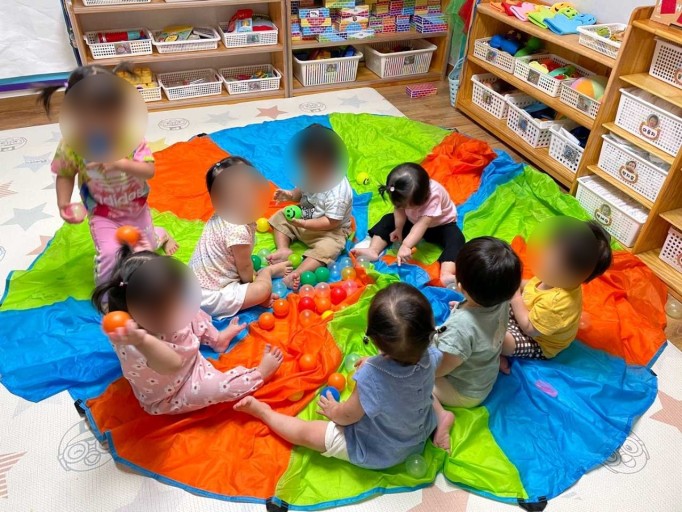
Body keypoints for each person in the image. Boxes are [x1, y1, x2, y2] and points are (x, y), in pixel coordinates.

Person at [235, 282, 456, 468]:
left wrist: (334, 410)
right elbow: (402, 376)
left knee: (308, 433)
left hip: (383, 450)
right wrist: (377, 363)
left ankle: (264, 413)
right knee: (420, 392)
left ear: (374, 339)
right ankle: (441, 417)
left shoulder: (371, 375)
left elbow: (349, 416)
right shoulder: (431, 354)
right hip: (418, 431)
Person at [92, 246, 283, 415]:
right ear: (145, 314)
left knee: (192, 311)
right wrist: (141, 340)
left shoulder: (148, 309)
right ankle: (258, 375)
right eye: (170, 304)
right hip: (176, 389)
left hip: (185, 351)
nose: (178, 303)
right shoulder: (135, 342)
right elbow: (173, 364)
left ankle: (217, 339)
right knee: (219, 387)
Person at [40, 64, 177, 284]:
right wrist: (63, 203)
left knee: (145, 251)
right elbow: (65, 173)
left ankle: (161, 234)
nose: (101, 124)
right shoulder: (72, 143)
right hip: (102, 212)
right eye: (91, 117)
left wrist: (122, 164)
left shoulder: (130, 137)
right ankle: (105, 294)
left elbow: (149, 171)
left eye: (109, 115)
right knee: (110, 255)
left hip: (137, 209)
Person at [500, 219, 612, 373]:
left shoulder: (557, 303)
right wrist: (512, 283)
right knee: (495, 298)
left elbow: (529, 328)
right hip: (528, 312)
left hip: (537, 340)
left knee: (501, 341)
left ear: (571, 274)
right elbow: (530, 286)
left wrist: (515, 297)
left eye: (553, 259)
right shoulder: (554, 277)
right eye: (548, 249)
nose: (544, 256)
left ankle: (493, 356)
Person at [190, 157, 291, 318]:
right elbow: (244, 268)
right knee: (262, 290)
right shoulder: (237, 229)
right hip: (210, 297)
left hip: (193, 284)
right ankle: (268, 271)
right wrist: (255, 293)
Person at [435, 237, 522, 409]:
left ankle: (442, 416)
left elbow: (441, 368)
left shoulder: (460, 328)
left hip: (463, 392)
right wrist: (463, 308)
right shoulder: (501, 300)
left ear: (460, 287)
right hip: (484, 372)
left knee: (415, 380)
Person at [267, 124, 353, 290]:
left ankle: (297, 273)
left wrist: (306, 224)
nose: (309, 171)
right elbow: (301, 190)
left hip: (329, 231)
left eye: (314, 167)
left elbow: (331, 222)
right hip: (306, 216)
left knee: (329, 248)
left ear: (331, 164)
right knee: (281, 215)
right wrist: (290, 195)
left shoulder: (338, 191)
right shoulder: (309, 173)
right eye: (306, 165)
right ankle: (283, 250)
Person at [353, 163, 465, 285]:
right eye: (401, 205)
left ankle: (446, 273)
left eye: (407, 206)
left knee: (456, 238)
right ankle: (373, 250)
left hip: (440, 225)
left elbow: (422, 224)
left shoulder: (434, 195)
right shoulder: (400, 193)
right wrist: (398, 228)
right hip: (413, 221)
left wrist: (406, 245)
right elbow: (399, 210)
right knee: (388, 219)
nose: (403, 207)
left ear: (422, 199)